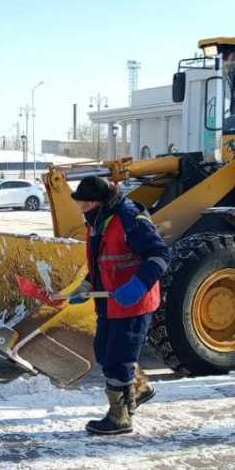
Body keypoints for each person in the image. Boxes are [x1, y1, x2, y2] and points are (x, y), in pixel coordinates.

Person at [68, 176, 171, 435]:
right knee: (104, 351)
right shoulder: (97, 221)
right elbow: (104, 261)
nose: (81, 210)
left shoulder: (129, 219)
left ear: (97, 202)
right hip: (109, 301)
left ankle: (120, 417)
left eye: (84, 204)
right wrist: (88, 285)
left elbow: (160, 254)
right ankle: (139, 388)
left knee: (118, 359)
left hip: (134, 301)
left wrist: (138, 285)